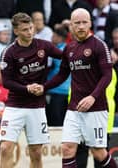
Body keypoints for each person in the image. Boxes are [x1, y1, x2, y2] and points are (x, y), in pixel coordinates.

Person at [31, 8, 118, 168]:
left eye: (84, 22)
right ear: (71, 25)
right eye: (77, 23)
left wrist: (93, 96)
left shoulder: (100, 45)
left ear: (90, 23)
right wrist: (44, 87)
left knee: (98, 152)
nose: (81, 26)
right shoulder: (69, 48)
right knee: (67, 148)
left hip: (96, 108)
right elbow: (61, 75)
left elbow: (107, 76)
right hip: (74, 109)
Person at [0, 12, 63, 168]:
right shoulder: (9, 53)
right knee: (5, 148)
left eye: (31, 28)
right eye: (25, 30)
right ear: (16, 31)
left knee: (35, 152)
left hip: (36, 107)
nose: (29, 32)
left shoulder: (43, 45)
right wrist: (27, 88)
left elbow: (65, 57)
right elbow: (6, 82)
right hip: (14, 106)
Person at [46, 26, 71, 126]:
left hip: (55, 91)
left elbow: (47, 68)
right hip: (67, 91)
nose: (52, 38)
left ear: (60, 37)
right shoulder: (69, 49)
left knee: (54, 122)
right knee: (63, 121)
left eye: (53, 36)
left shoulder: (55, 52)